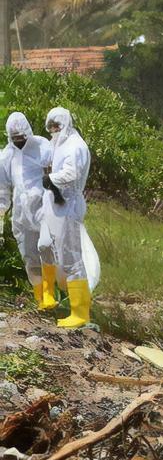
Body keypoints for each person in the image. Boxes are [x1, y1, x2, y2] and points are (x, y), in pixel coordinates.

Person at [39, 108, 93, 329]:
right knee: (45, 246)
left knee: (71, 258)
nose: (53, 130)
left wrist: (51, 178)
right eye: (50, 126)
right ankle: (49, 295)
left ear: (66, 124)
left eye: (57, 126)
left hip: (68, 205)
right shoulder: (58, 144)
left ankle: (80, 313)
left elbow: (72, 174)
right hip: (54, 204)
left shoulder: (75, 146)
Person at [0, 113, 53, 310]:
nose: (19, 142)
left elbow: (55, 171)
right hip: (21, 213)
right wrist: (2, 212)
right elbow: (2, 188)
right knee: (30, 257)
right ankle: (41, 299)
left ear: (28, 133)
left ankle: (50, 291)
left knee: (46, 246)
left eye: (22, 138)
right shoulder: (6, 156)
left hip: (43, 206)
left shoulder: (42, 146)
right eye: (15, 139)